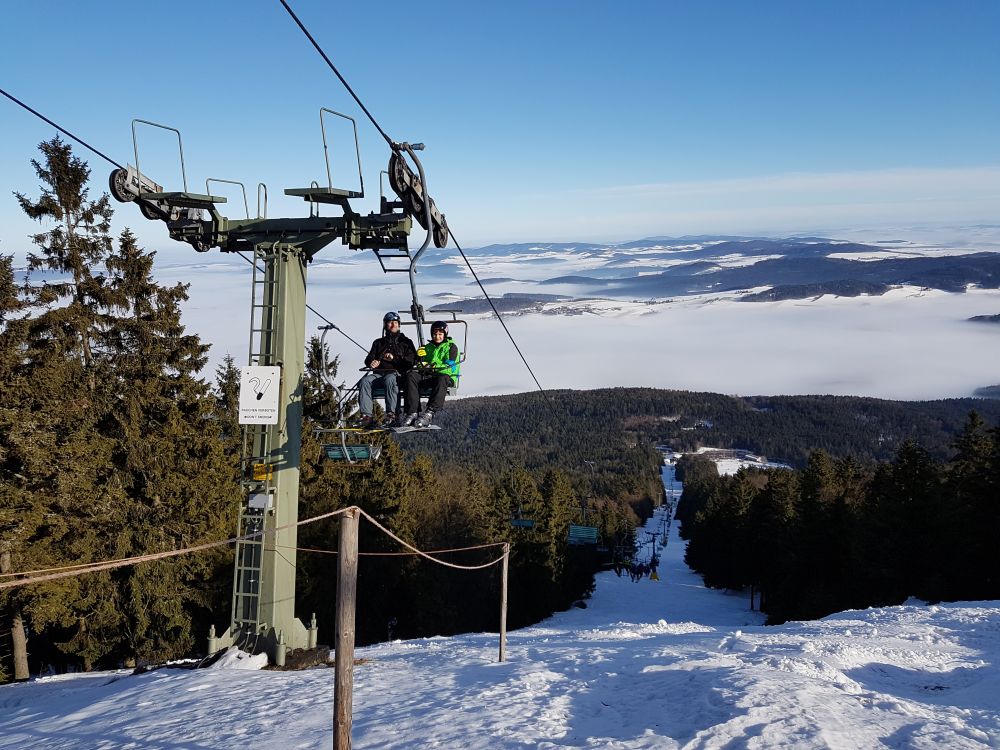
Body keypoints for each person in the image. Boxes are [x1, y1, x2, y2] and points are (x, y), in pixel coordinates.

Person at [354, 311, 416, 428]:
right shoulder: (379, 343)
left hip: (396, 374)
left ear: (399, 324)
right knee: (365, 381)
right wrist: (372, 362)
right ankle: (367, 416)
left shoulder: (406, 343)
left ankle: (392, 415)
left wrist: (395, 358)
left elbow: (411, 361)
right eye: (390, 323)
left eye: (395, 322)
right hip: (379, 374)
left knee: (390, 379)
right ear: (385, 325)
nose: (393, 325)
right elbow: (369, 359)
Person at [397, 320, 460, 428]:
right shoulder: (428, 347)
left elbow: (450, 367)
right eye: (435, 334)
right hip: (428, 375)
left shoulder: (451, 347)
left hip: (445, 376)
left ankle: (429, 413)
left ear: (445, 334)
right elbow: (420, 366)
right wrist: (419, 359)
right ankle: (412, 412)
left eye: (440, 334)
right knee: (411, 376)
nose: (437, 337)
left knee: (442, 379)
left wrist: (433, 366)